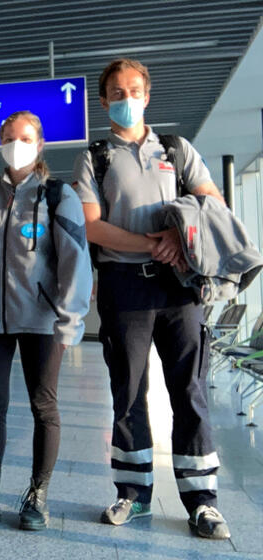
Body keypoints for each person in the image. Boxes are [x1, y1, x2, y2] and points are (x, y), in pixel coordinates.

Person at [72, 58, 230, 539]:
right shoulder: (95, 157)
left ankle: (202, 501)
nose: (127, 99)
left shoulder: (177, 150)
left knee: (189, 390)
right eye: (117, 93)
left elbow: (213, 202)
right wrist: (151, 243)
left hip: (179, 286)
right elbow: (92, 225)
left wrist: (178, 239)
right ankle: (134, 493)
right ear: (104, 102)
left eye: (134, 90)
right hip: (124, 285)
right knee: (128, 392)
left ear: (147, 95)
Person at [0, 111, 91, 533]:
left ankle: (38, 494)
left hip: (42, 320)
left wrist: (70, 319)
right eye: (8, 138)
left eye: (24, 138)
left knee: (43, 405)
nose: (15, 145)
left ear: (39, 144)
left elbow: (75, 260)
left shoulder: (58, 194)